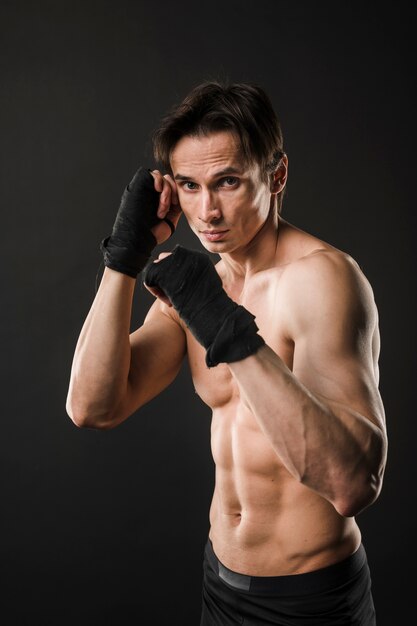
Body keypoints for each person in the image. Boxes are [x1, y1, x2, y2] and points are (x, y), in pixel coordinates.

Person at [66, 81, 387, 625]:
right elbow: (92, 406)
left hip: (311, 601)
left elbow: (352, 484)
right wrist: (123, 258)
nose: (207, 210)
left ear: (276, 176)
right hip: (221, 585)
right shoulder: (199, 288)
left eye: (228, 182)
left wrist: (222, 326)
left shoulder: (320, 281)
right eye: (189, 186)